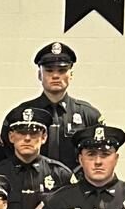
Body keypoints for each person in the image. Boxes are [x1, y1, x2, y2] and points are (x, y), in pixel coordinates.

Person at [8, 42, 102, 170]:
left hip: (75, 186)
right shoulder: (20, 114)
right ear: (40, 75)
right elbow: (7, 157)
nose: (56, 76)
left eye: (62, 70)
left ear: (71, 75)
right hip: (33, 184)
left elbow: (99, 156)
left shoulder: (89, 115)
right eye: (49, 70)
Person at [0, 106, 73, 209]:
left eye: (34, 133)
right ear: (11, 137)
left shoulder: (60, 174)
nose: (27, 138)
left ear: (44, 137)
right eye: (21, 132)